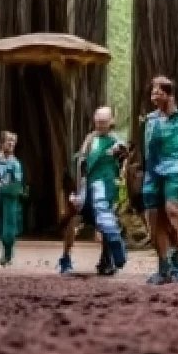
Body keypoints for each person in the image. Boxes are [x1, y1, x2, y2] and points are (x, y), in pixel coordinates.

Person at [140, 76, 178, 284]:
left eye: (157, 91)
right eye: (152, 91)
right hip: (153, 173)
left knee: (172, 211)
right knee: (154, 219)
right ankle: (164, 267)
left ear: (169, 94)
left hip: (177, 171)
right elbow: (143, 149)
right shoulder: (149, 120)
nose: (153, 95)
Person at [59, 107, 128, 276]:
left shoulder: (115, 140)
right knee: (73, 219)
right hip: (86, 187)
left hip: (105, 186)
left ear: (111, 121)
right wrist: (76, 191)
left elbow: (123, 155)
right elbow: (81, 163)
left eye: (104, 122)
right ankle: (66, 257)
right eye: (98, 122)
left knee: (105, 217)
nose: (100, 126)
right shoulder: (90, 138)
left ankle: (107, 259)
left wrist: (118, 155)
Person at [0, 131, 24, 266]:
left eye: (13, 141)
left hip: (9, 195)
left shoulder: (15, 163)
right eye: (8, 140)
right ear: (2, 143)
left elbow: (18, 180)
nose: (10, 143)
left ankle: (7, 254)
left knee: (9, 224)